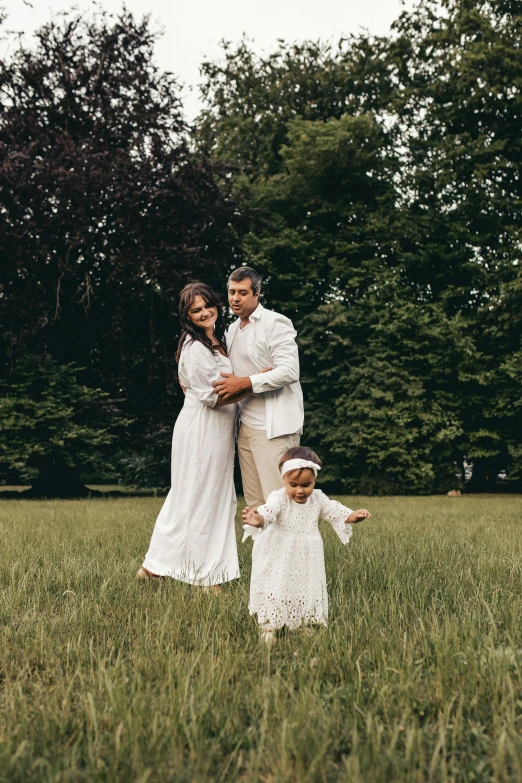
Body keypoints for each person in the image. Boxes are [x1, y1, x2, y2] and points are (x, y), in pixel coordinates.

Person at [137, 283, 253, 589]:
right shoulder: (195, 347)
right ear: (187, 316)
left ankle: (155, 566)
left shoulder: (218, 339)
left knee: (205, 498)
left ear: (216, 304)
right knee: (198, 498)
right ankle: (203, 577)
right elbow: (212, 396)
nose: (204, 313)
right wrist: (257, 383)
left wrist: (242, 382)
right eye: (196, 310)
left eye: (207, 306)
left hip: (219, 429)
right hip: (203, 427)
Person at [242, 446, 372, 642]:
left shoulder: (317, 498)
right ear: (284, 479)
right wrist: (257, 519)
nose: (300, 490)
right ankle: (268, 624)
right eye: (293, 484)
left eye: (306, 484)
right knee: (277, 585)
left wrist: (353, 516)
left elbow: (334, 511)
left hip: (306, 555)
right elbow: (268, 513)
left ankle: (299, 621)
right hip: (280, 552)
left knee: (304, 585)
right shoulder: (279, 498)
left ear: (314, 481)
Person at [213, 266, 304, 511]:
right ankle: (261, 551)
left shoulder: (275, 322)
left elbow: (290, 371)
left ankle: (292, 551)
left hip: (275, 428)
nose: (235, 298)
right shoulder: (231, 330)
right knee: (255, 505)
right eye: (231, 292)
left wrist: (246, 382)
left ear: (257, 293)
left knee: (279, 501)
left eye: (242, 292)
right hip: (245, 426)